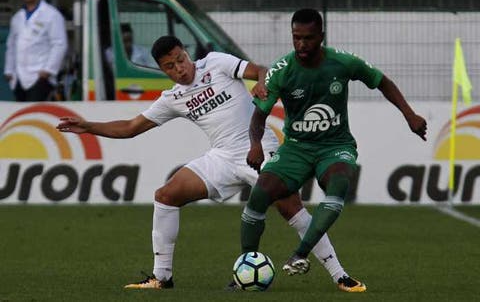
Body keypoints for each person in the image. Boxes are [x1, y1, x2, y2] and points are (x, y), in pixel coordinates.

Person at [57, 35, 366, 292]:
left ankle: (340, 275)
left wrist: (261, 84)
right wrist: (89, 126)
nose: (179, 69)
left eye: (180, 59)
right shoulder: (172, 98)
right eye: (170, 66)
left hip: (259, 149)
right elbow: (130, 127)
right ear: (163, 70)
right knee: (166, 196)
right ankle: (162, 278)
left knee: (291, 208)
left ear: (186, 53)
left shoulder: (216, 63)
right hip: (222, 157)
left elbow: (260, 69)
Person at [240, 8, 427, 279]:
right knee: (260, 194)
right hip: (296, 147)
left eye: (309, 38)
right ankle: (246, 266)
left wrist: (409, 115)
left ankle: (300, 254)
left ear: (321, 37)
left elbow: (382, 82)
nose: (302, 44)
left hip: (335, 145)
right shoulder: (281, 70)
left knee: (338, 183)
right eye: (296, 38)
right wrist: (255, 144)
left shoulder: (343, 62)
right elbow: (259, 115)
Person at [3, 0, 67, 102]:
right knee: (21, 116)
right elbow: (11, 45)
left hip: (40, 78)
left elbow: (59, 44)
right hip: (18, 78)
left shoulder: (52, 15)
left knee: (36, 115)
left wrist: (48, 71)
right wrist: (9, 71)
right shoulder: (17, 17)